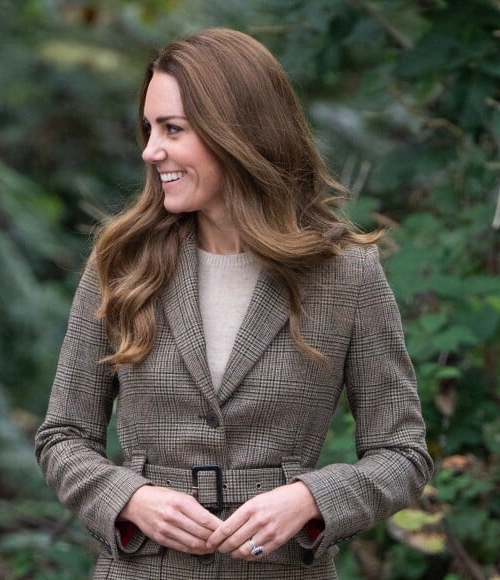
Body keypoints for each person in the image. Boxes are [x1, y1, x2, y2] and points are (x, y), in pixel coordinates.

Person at [35, 27, 433, 579]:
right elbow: (63, 437)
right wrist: (131, 498)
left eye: (172, 129)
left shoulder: (345, 274)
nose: (151, 151)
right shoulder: (122, 262)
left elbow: (403, 454)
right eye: (149, 129)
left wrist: (310, 499)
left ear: (236, 133)